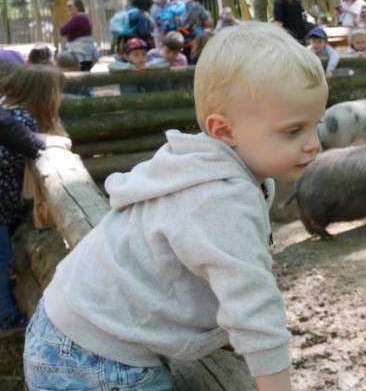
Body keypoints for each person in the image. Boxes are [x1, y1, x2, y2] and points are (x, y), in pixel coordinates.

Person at [22, 21, 325, 390]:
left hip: (68, 329)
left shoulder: (196, 162)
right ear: (225, 130)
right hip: (98, 360)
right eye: (294, 131)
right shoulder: (221, 197)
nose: (313, 145)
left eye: (316, 124)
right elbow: (255, 310)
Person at [0, 65, 70, 329]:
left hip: (4, 207)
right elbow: (21, 141)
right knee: (1, 259)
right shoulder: (21, 120)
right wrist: (45, 142)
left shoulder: (12, 114)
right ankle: (6, 316)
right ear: (45, 95)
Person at [60, 0, 99, 71]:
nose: (68, 8)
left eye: (70, 6)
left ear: (77, 7)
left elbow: (63, 31)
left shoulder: (79, 18)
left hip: (79, 51)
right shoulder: (84, 17)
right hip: (85, 50)